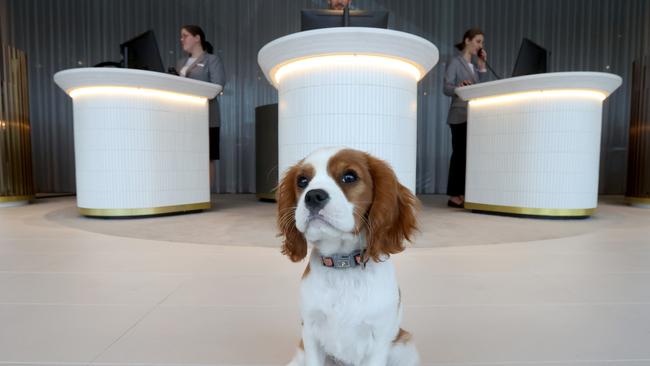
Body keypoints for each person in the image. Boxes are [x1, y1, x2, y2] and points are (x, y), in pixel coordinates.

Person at [443, 28, 488, 208]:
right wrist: (458, 86)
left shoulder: (473, 66)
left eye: (482, 42)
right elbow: (446, 88)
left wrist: (482, 65)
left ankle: (463, 193)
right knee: (459, 155)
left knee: (468, 155)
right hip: (458, 114)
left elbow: (481, 90)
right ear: (467, 41)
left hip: (472, 116)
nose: (480, 45)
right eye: (478, 41)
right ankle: (454, 196)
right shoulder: (455, 62)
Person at [176, 25, 225, 190]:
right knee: (187, 155)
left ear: (197, 38)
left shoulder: (211, 60)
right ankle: (188, 191)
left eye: (185, 35)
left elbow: (218, 86)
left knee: (207, 156)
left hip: (207, 117)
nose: (182, 39)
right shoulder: (180, 63)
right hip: (184, 116)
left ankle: (205, 195)